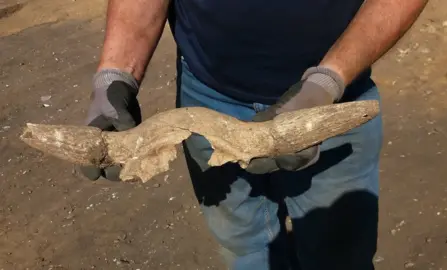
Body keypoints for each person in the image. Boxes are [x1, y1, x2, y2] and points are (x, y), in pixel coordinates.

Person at [79, 0, 427, 269]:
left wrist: (326, 83)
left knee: (338, 253)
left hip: (331, 105)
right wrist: (114, 76)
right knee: (242, 244)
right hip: (208, 94)